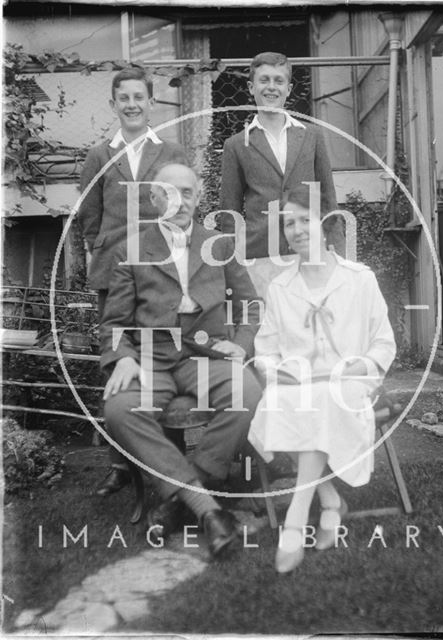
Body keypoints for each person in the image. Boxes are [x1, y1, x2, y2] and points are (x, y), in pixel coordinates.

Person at [100, 163, 263, 558]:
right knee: (120, 409)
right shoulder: (131, 248)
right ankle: (208, 510)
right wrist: (121, 357)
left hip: (207, 355)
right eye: (169, 194)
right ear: (155, 199)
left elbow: (250, 306)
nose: (180, 202)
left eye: (187, 193)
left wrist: (241, 345)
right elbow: (114, 322)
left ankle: (182, 498)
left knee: (246, 392)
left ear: (198, 195)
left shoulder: (220, 245)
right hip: (151, 359)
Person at [247, 185, 396, 573]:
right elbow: (265, 351)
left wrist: (356, 367)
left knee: (326, 397)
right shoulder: (281, 287)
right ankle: (329, 500)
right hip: (303, 383)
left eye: (304, 220)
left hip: (350, 381)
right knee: (282, 400)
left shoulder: (358, 279)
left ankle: (296, 519)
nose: (296, 230)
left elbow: (383, 344)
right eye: (288, 223)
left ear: (326, 224)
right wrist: (277, 370)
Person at [78, 67, 188, 496]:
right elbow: (89, 214)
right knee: (116, 359)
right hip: (113, 270)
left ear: (151, 102)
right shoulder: (98, 154)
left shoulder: (171, 150)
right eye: (123, 98)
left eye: (138, 97)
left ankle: (168, 450)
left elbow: (179, 205)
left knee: (162, 352)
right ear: (113, 104)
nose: (131, 105)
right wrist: (106, 249)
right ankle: (119, 463)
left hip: (160, 268)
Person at [219, 51, 344, 297]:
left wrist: (338, 254)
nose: (271, 87)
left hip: (309, 252)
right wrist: (231, 266)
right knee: (268, 329)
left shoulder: (311, 136)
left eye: (278, 81)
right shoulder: (236, 145)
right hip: (260, 256)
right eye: (264, 80)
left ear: (289, 89)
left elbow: (329, 200)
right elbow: (229, 214)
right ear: (251, 87)